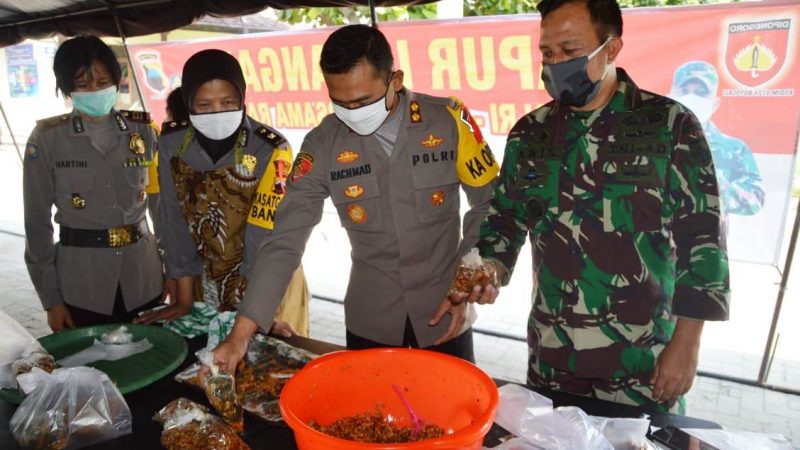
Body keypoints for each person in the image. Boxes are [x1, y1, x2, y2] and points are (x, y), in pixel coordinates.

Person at [454, 0, 730, 414]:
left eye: (569, 51)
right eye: (547, 53)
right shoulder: (530, 134)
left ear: (612, 48)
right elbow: (507, 219)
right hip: (553, 356)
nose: (555, 63)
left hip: (645, 362)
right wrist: (489, 267)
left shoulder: (669, 125)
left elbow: (703, 237)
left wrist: (687, 344)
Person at [209, 24, 499, 372]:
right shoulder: (322, 144)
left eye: (362, 102)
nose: (352, 113)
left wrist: (467, 283)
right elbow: (285, 239)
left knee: (453, 417)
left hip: (446, 310)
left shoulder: (448, 121)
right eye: (339, 102)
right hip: (371, 320)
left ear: (395, 80)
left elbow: (490, 205)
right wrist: (243, 331)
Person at [139, 49, 309, 337]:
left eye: (227, 102)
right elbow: (173, 221)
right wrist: (182, 297)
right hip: (203, 277)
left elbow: (263, 232)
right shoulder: (171, 145)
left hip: (267, 281)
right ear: (189, 102)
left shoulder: (269, 148)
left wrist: (253, 313)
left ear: (243, 98)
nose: (217, 112)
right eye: (204, 105)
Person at [23, 35, 163, 331]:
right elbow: (36, 224)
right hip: (82, 283)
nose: (96, 91)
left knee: (150, 360)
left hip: (143, 276)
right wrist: (51, 300)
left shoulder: (144, 132)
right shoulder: (47, 139)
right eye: (84, 85)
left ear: (116, 80)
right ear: (67, 89)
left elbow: (163, 209)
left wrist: (175, 272)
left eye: (102, 81)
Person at [669, 60, 764, 216]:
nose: (691, 97)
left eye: (701, 92)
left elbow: (755, 200)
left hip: (703, 238)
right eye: (684, 91)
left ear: (715, 104)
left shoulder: (733, 149)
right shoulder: (651, 140)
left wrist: (711, 181)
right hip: (652, 237)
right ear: (670, 97)